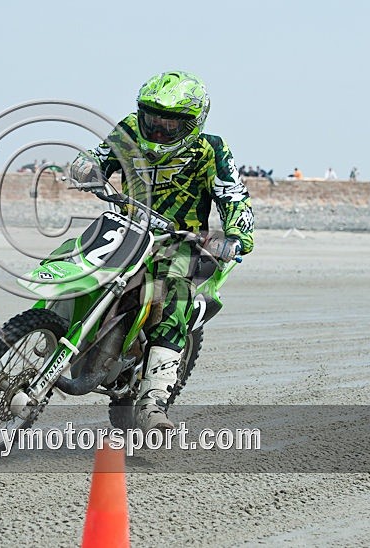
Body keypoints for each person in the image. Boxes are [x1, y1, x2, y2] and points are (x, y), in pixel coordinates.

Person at [69, 70, 254, 432]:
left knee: (172, 292)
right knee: (71, 256)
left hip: (181, 241)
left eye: (170, 125)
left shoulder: (211, 149)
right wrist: (85, 165)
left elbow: (234, 197)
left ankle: (153, 402)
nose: (157, 131)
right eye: (152, 119)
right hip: (127, 228)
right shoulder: (128, 131)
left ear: (193, 123)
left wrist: (236, 235)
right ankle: (43, 330)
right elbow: (99, 156)